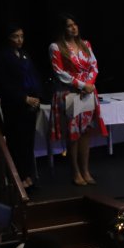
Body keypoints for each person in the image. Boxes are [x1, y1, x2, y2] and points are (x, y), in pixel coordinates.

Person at [49, 14, 106, 187]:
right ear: (62, 29)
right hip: (70, 93)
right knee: (73, 134)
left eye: (75, 24)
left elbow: (94, 65)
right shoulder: (56, 47)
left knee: (86, 132)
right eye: (69, 25)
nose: (73, 28)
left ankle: (86, 170)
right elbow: (59, 72)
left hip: (87, 92)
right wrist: (81, 85)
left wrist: (89, 84)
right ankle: (75, 172)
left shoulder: (85, 44)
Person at [0, 24, 43, 189]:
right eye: (16, 36)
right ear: (9, 38)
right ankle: (19, 177)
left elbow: (34, 77)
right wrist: (24, 98)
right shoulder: (2, 57)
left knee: (28, 143)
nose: (19, 40)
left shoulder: (24, 55)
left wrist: (36, 97)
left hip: (29, 106)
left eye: (21, 36)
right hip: (14, 106)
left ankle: (28, 175)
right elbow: (3, 84)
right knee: (17, 142)